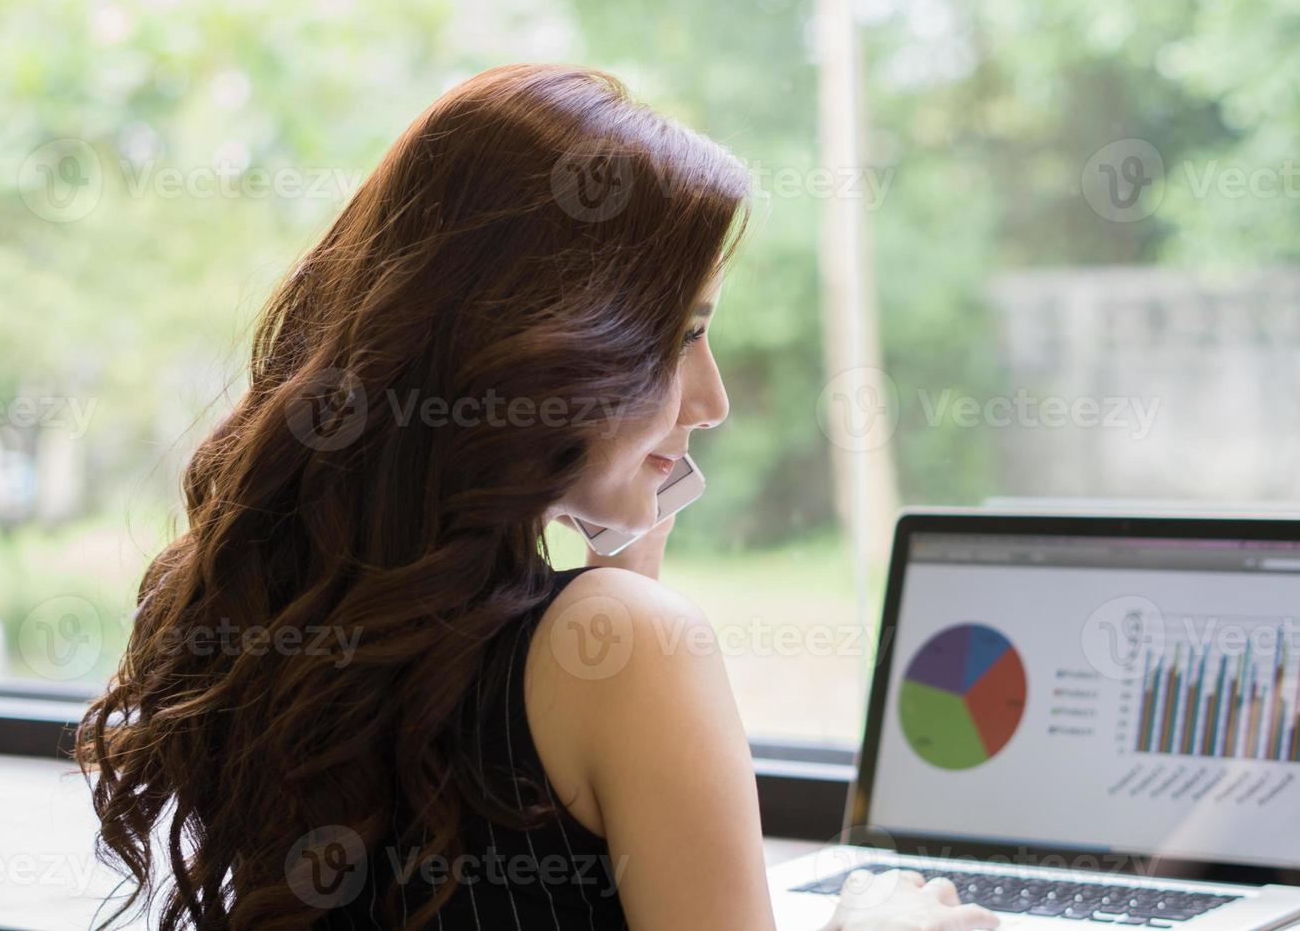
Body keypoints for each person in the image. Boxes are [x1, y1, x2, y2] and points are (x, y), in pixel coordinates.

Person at [77, 63, 999, 931]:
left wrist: (620, 559)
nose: (711, 401)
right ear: (548, 350)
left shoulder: (292, 615)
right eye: (681, 337)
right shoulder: (628, 648)